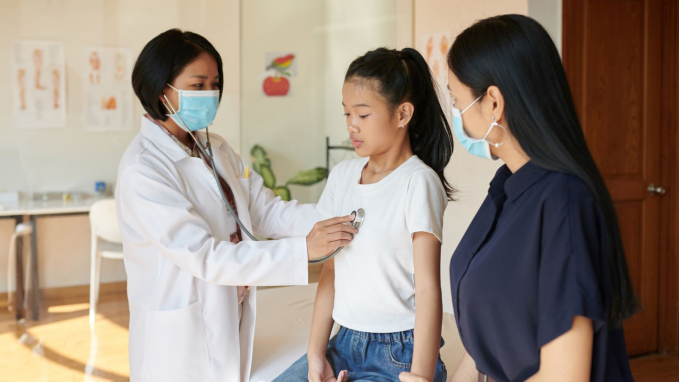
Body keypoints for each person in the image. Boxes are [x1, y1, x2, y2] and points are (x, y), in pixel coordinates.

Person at [115, 29, 357, 382]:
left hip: (227, 314)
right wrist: (301, 251)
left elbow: (265, 210)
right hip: (178, 341)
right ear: (160, 90)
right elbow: (206, 257)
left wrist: (337, 220)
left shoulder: (217, 148)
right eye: (198, 86)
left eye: (215, 84)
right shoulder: (144, 169)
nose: (210, 94)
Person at [445, 15, 637, 382]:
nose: (458, 118)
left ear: (494, 104)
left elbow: (564, 377)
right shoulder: (507, 187)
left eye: (458, 101)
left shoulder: (564, 203)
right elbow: (483, 347)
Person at [275, 47, 453, 382]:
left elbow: (429, 290)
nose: (352, 126)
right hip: (343, 342)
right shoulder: (343, 175)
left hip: (399, 353)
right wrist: (315, 356)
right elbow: (331, 270)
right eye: (346, 114)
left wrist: (422, 375)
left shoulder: (419, 182)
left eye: (363, 114)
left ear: (402, 114)